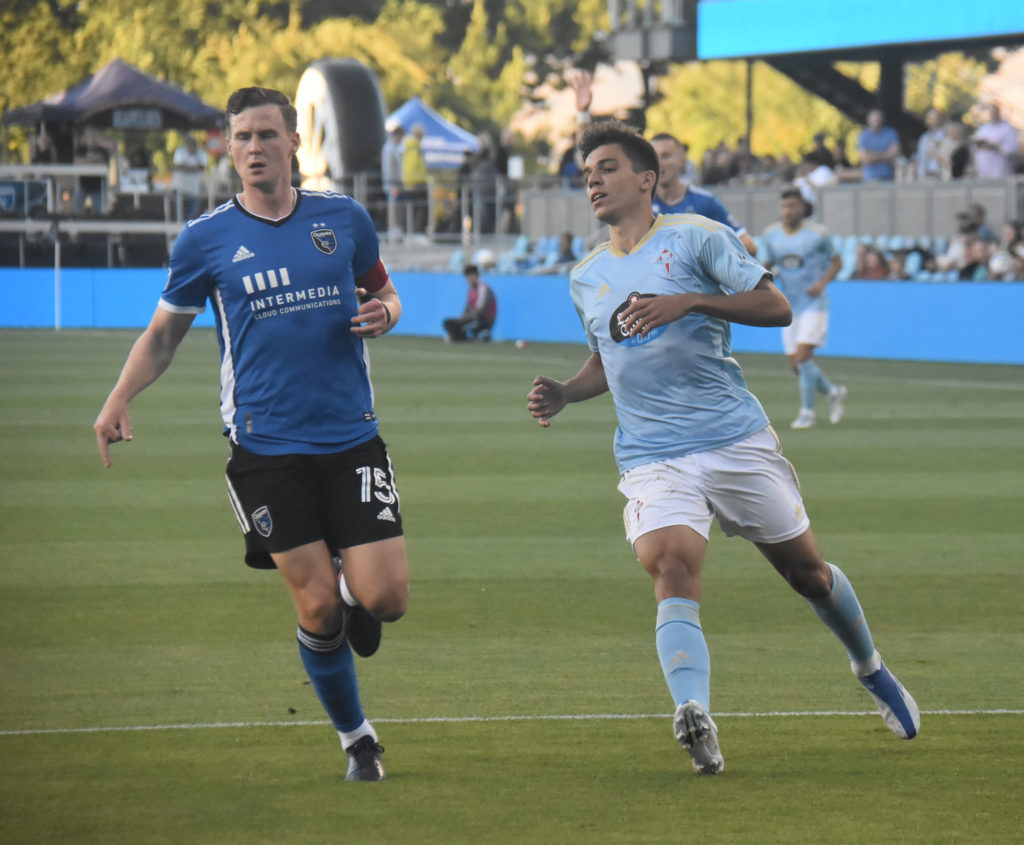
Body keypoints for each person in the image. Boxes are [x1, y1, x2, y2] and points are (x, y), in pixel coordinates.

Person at [526, 119, 919, 776]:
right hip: (652, 453)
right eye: (587, 172)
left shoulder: (697, 238)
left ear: (647, 179)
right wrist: (567, 392)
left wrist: (688, 303)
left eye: (608, 167)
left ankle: (870, 667)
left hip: (733, 439)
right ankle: (694, 714)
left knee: (808, 575)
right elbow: (607, 359)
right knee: (670, 564)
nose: (593, 179)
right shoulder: (584, 274)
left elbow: (775, 306)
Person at [93, 87, 409, 782]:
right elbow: (162, 335)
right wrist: (118, 396)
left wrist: (386, 310)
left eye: (267, 133)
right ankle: (357, 739)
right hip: (266, 450)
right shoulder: (205, 240)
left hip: (352, 437)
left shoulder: (344, 218)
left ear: (295, 142)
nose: (254, 147)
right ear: (230, 148)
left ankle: (359, 595)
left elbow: (385, 292)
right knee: (318, 607)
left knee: (386, 598)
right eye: (242, 137)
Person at [760, 188, 846, 430]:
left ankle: (807, 413)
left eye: (793, 206)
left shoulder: (818, 234)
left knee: (803, 356)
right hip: (788, 304)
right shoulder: (771, 235)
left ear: (802, 208)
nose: (788, 211)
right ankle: (832, 392)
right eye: (785, 207)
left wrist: (821, 283)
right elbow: (766, 264)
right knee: (796, 365)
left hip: (814, 304)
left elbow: (837, 262)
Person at [650, 132, 758, 256]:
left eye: (665, 156)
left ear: (682, 160)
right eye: (654, 157)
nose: (659, 163)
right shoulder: (642, 203)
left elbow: (749, 246)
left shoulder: (704, 201)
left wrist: (705, 251)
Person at [442, 264, 497, 342]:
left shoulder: (484, 288)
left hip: (483, 321)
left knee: (459, 325)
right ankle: (459, 337)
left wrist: (464, 319)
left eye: (471, 276)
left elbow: (480, 309)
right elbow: (467, 308)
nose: (469, 279)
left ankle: (480, 334)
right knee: (448, 323)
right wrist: (460, 318)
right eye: (467, 276)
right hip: (472, 319)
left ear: (477, 275)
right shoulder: (471, 290)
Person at [971, 104, 1020, 180]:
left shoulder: (1007, 127)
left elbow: (1012, 147)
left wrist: (996, 147)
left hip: (1000, 168)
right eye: (990, 112)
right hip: (984, 168)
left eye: (994, 112)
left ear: (998, 112)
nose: (992, 114)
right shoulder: (984, 128)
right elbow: (975, 146)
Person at [73, 127, 110, 214]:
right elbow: (77, 161)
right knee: (77, 207)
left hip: (98, 186)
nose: (91, 139)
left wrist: (86, 161)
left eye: (93, 137)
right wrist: (94, 160)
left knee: (101, 209)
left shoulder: (102, 150)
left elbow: (102, 160)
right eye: (89, 137)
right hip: (83, 184)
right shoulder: (81, 149)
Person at [857, 109, 900, 182]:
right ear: (868, 120)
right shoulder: (863, 136)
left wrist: (873, 155)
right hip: (870, 178)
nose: (876, 121)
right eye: (874, 120)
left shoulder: (890, 133)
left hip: (889, 176)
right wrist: (886, 155)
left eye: (877, 119)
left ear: (882, 120)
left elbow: (895, 153)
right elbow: (866, 159)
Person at [172, 135, 208, 219]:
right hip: (179, 186)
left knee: (193, 208)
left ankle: (186, 226)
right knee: (178, 210)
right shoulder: (180, 152)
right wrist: (194, 168)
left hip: (193, 189)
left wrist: (187, 168)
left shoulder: (200, 153)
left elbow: (202, 168)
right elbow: (178, 167)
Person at [401, 124, 428, 233]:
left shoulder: (412, 148)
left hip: (412, 184)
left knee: (414, 210)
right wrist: (422, 180)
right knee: (420, 209)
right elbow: (411, 168)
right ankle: (417, 232)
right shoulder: (414, 149)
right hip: (415, 185)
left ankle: (413, 231)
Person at [916, 108, 952, 180]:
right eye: (929, 115)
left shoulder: (949, 136)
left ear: (941, 117)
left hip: (944, 179)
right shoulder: (924, 138)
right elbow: (921, 161)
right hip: (927, 179)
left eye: (934, 114)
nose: (930, 117)